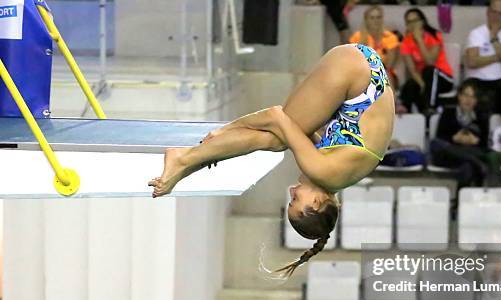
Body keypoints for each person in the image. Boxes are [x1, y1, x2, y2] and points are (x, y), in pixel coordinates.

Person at [148, 44, 395, 277]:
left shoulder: (338, 177)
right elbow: (275, 116)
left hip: (364, 67)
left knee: (280, 139)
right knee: (278, 140)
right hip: (355, 72)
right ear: (318, 202)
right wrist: (225, 131)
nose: (292, 190)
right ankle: (182, 158)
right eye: (296, 199)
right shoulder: (323, 172)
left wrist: (219, 151)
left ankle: (187, 161)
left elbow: (296, 131)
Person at [429, 80, 492, 188]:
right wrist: (454, 138)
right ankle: (473, 160)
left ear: (476, 100)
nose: (468, 100)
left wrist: (474, 141)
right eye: (466, 95)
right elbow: (440, 137)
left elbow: (484, 143)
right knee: (435, 143)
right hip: (449, 155)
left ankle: (460, 202)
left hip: (470, 152)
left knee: (468, 167)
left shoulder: (482, 117)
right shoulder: (448, 113)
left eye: (473, 97)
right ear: (459, 96)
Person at [464, 0, 501, 114]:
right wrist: (496, 58)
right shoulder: (476, 33)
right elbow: (472, 62)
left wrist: (493, 37)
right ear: (487, 12)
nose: (497, 17)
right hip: (477, 78)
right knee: (473, 92)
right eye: (494, 12)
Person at [398, 7, 454, 114]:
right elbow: (413, 70)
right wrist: (422, 84)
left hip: (443, 78)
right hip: (424, 80)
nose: (412, 25)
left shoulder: (434, 35)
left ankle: (430, 108)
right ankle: (408, 114)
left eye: (415, 21)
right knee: (409, 85)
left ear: (422, 21)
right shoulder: (406, 41)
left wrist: (419, 40)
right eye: (409, 22)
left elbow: (430, 62)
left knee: (430, 71)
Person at [349, 5, 400, 89]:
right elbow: (354, 61)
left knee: (384, 74)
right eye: (372, 18)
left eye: (378, 17)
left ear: (382, 19)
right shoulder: (357, 37)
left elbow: (390, 64)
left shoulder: (391, 37)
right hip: (362, 72)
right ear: (366, 20)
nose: (376, 21)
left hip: (384, 71)